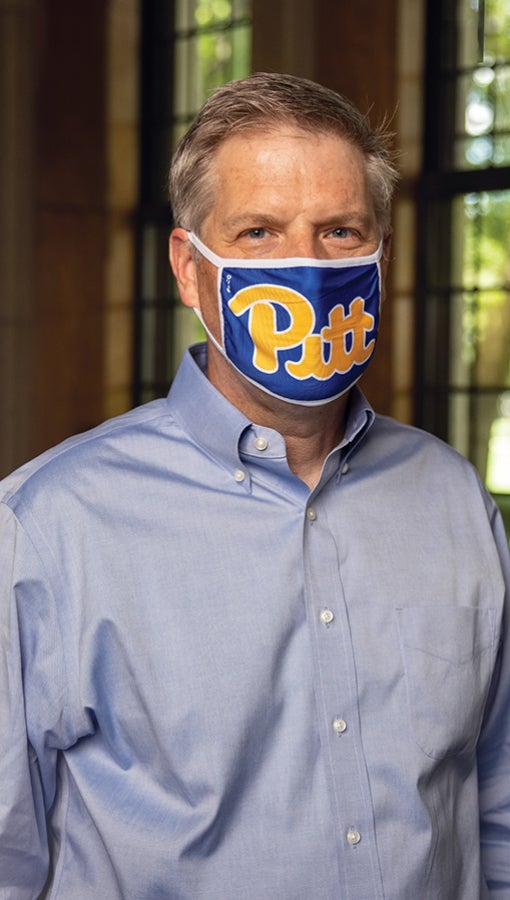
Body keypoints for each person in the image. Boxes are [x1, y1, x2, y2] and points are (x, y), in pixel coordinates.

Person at [1, 72, 509, 900]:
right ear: (189, 268)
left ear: (382, 254)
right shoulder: (47, 530)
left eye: (341, 230)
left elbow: (496, 807)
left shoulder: (454, 502)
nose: (305, 263)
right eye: (260, 231)